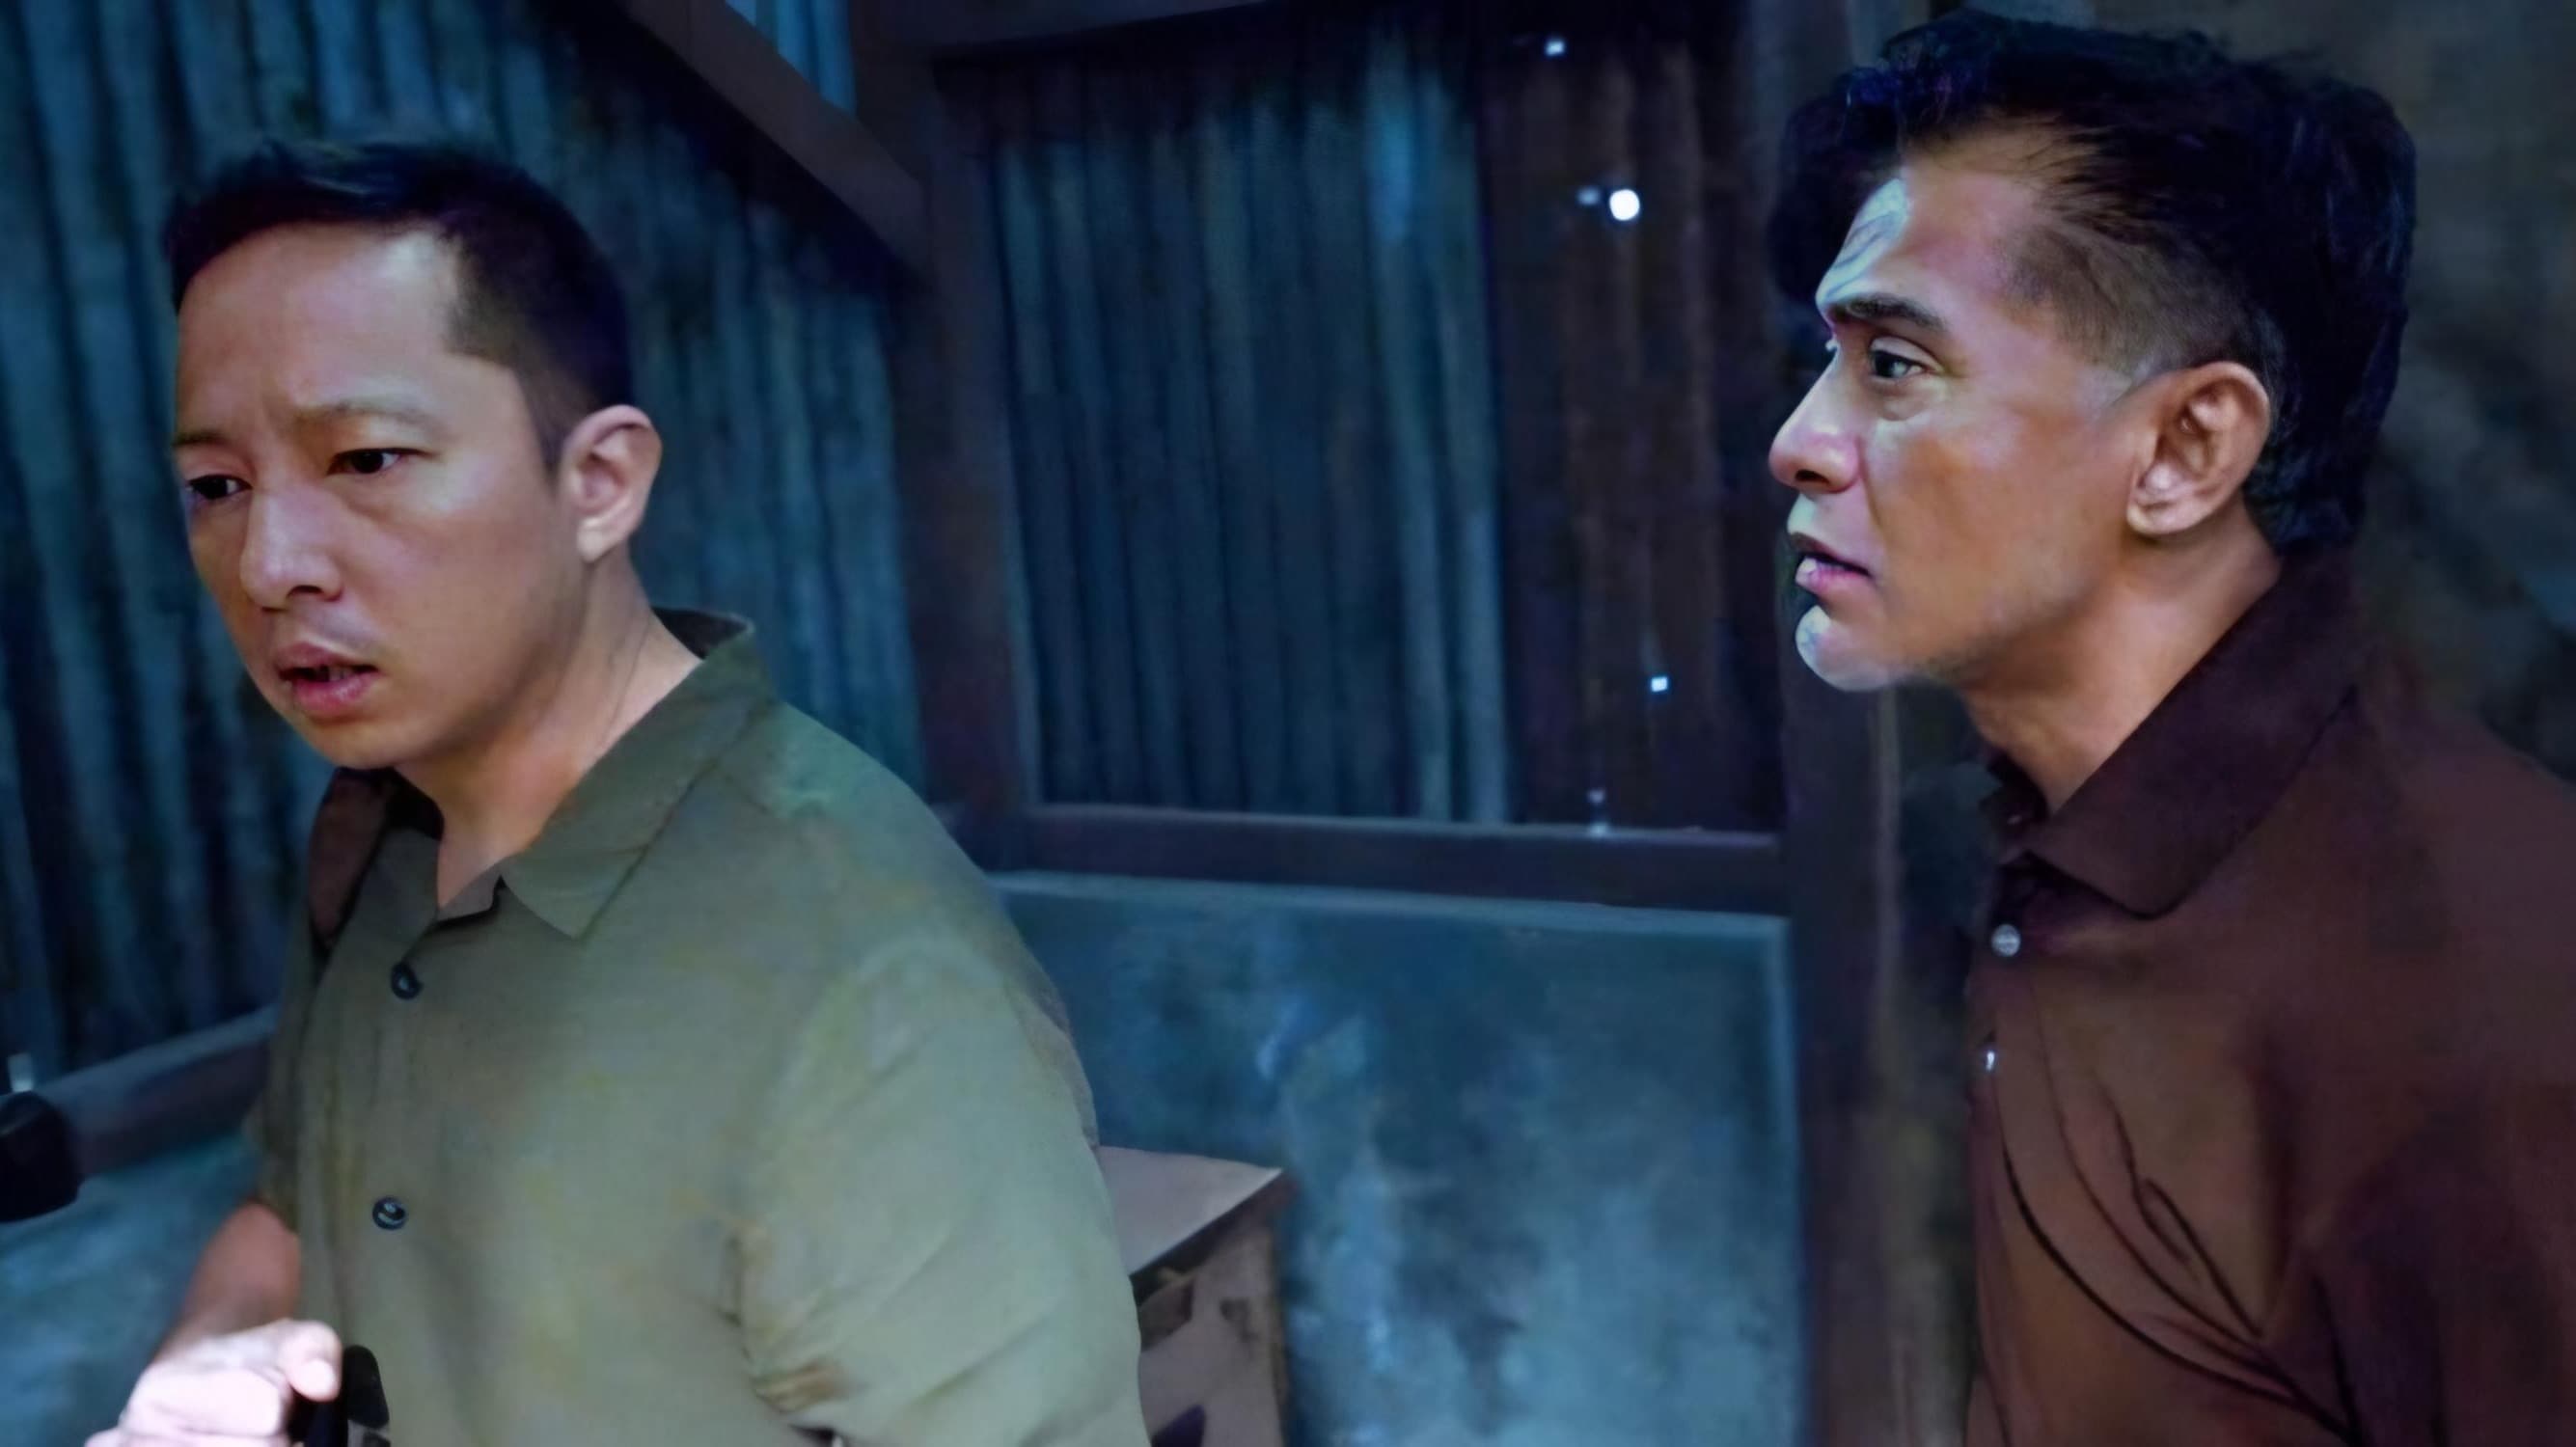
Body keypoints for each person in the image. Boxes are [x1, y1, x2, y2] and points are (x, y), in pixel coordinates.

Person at [94, 140, 1145, 1446]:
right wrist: (204, 1365)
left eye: (364, 459)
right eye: (218, 487)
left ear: (599, 483)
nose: (270, 564)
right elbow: (292, 1208)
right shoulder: (380, 827)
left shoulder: (864, 972)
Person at [1768, 13, 2576, 1445]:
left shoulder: (2459, 992)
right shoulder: (2064, 829)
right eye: (1827, 359)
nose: (1798, 442)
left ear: (2185, 450)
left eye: (1893, 366)